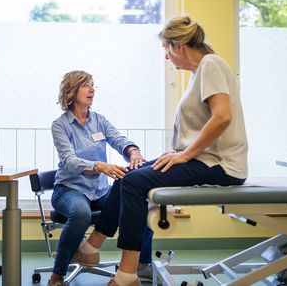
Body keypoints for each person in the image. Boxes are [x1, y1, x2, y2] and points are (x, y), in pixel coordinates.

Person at [73, 16, 248, 286]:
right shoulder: (200, 72)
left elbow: (222, 117)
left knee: (132, 182)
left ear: (178, 46)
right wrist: (177, 152)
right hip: (204, 158)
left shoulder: (210, 64)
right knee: (128, 174)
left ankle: (126, 272)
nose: (166, 58)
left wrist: (185, 154)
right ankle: (93, 246)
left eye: (166, 49)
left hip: (220, 164)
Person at [48, 70, 155, 286]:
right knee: (81, 213)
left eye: (93, 85)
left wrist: (133, 151)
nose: (92, 89)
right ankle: (57, 274)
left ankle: (142, 264)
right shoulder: (60, 125)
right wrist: (100, 166)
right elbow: (69, 160)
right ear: (71, 91)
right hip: (69, 190)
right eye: (86, 85)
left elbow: (118, 139)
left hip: (99, 191)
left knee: (139, 205)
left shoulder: (99, 120)